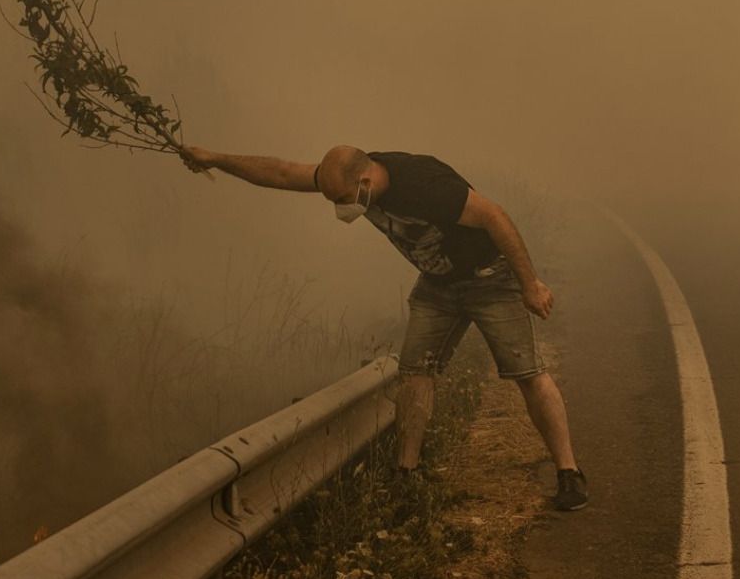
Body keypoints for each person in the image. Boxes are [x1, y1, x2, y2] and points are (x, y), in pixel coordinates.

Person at [180, 143, 588, 511]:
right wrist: (214, 159)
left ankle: (569, 474)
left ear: (366, 180)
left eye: (342, 199)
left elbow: (496, 218)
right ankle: (405, 475)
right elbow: (282, 173)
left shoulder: (425, 186)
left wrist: (529, 284)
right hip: (438, 285)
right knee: (415, 372)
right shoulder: (345, 174)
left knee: (527, 373)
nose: (340, 208)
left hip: (489, 279)